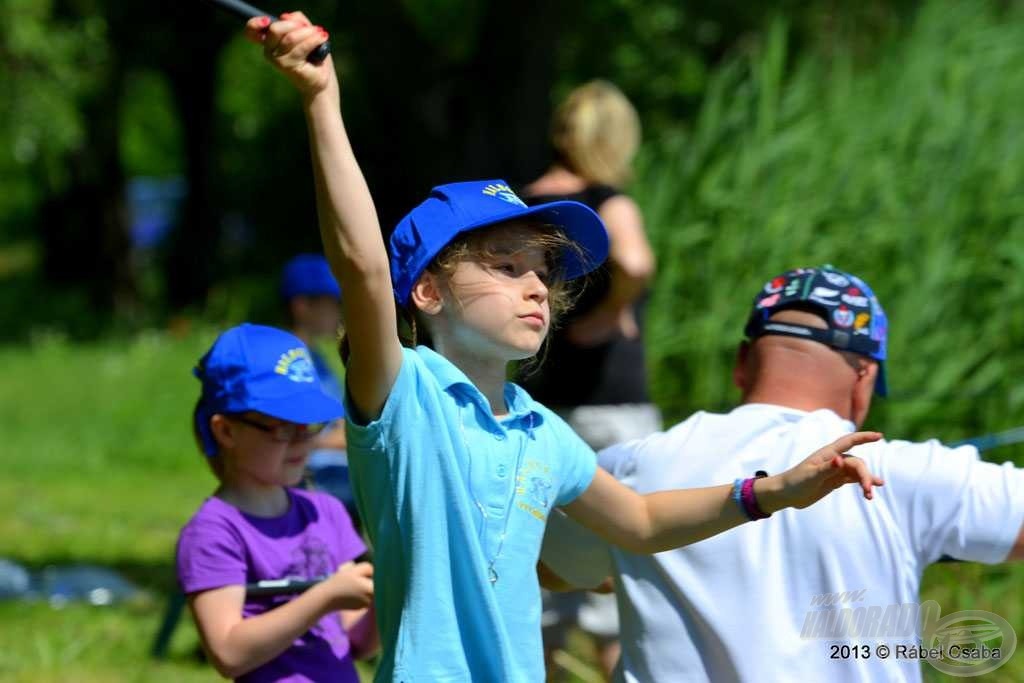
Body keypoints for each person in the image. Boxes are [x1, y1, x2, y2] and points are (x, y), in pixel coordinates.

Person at [243, 13, 885, 680]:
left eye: (544, 271)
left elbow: (637, 519)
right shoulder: (403, 393)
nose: (536, 288)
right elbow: (364, 268)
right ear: (427, 292)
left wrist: (774, 490)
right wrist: (321, 99)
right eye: (504, 264)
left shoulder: (538, 429)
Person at [540, 265, 1024, 683]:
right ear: (866, 379)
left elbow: (556, 571)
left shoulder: (629, 468)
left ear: (742, 363)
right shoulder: (899, 471)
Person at [521, 80, 657, 679]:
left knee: (541, 578)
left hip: (535, 403)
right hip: (612, 406)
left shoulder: (523, 203)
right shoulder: (608, 201)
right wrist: (610, 314)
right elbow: (635, 262)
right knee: (619, 577)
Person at [177, 323, 377, 682]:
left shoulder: (324, 511)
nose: (302, 441)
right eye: (283, 426)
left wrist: (386, 600)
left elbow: (356, 644)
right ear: (226, 431)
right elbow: (228, 653)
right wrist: (325, 597)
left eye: (309, 425)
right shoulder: (214, 532)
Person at [281, 253, 359, 526]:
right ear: (302, 306)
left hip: (339, 465)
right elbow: (289, 437)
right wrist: (345, 438)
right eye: (329, 305)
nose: (337, 313)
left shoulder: (319, 358)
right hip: (315, 473)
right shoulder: (287, 362)